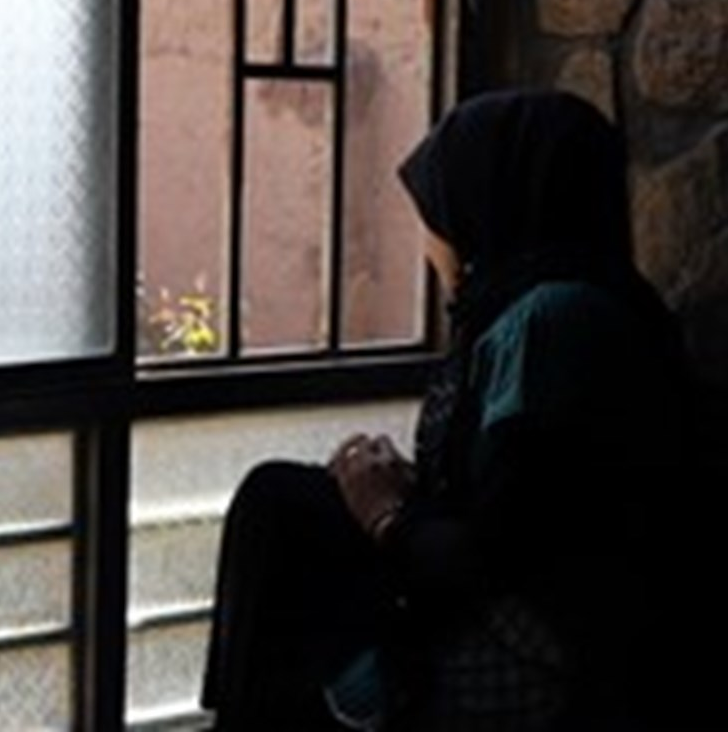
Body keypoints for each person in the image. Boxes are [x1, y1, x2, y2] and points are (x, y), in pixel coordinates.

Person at [202, 89, 688, 730]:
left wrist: (384, 512)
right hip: (504, 607)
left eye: (441, 208)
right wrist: (399, 490)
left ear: (494, 200)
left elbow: (502, 553)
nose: (432, 235)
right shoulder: (555, 306)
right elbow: (520, 496)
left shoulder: (551, 322)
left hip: (526, 656)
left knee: (282, 525)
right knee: (284, 503)